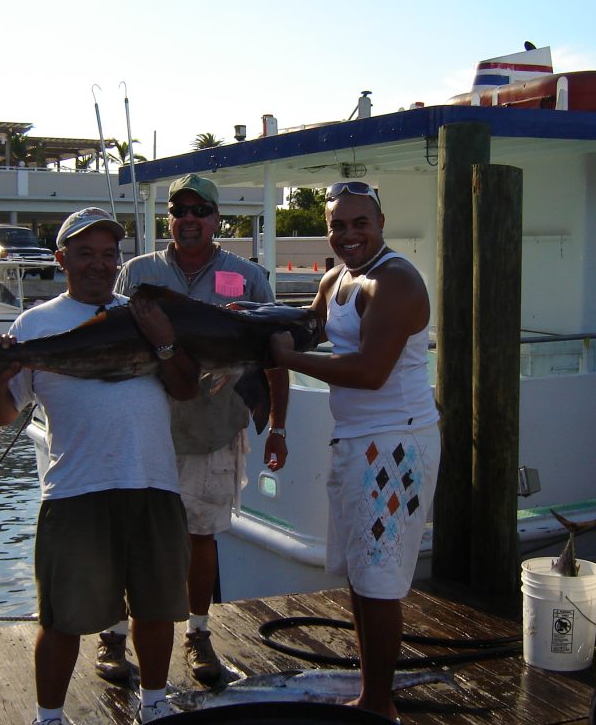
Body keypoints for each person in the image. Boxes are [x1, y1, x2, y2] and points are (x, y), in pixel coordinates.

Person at [0, 207, 199, 725]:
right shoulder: (36, 324)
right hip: (76, 491)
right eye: (86, 254)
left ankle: (155, 705)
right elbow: (1, 414)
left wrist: (165, 340)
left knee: (157, 609)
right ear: (62, 260)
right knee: (62, 619)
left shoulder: (145, 315)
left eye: (108, 255)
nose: (99, 264)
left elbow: (186, 389)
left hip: (153, 483)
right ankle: (48, 717)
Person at [95, 173, 291, 684]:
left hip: (212, 427)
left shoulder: (247, 276)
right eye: (179, 211)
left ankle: (198, 633)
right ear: (170, 219)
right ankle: (115, 634)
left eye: (200, 211)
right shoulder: (137, 273)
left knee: (200, 535)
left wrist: (279, 426)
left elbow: (272, 357)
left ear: (216, 219)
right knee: (131, 535)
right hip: (142, 426)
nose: (189, 220)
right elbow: (103, 338)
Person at [268, 181, 440, 724]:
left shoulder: (396, 282)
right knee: (361, 577)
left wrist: (286, 360)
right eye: (337, 225)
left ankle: (379, 704)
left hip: (396, 445)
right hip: (356, 442)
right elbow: (307, 329)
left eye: (359, 223)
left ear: (381, 221)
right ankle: (371, 692)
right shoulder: (336, 279)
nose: (348, 235)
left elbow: (369, 371)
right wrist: (251, 321)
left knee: (381, 580)